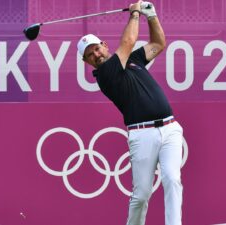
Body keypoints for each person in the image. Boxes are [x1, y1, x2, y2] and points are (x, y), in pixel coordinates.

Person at [77, 1, 184, 225]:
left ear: (104, 45)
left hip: (170, 128)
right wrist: (136, 13)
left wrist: (151, 16)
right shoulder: (106, 73)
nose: (96, 54)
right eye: (90, 55)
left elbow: (158, 43)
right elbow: (128, 41)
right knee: (142, 194)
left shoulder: (133, 60)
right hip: (141, 134)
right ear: (86, 62)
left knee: (172, 179)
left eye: (97, 48)